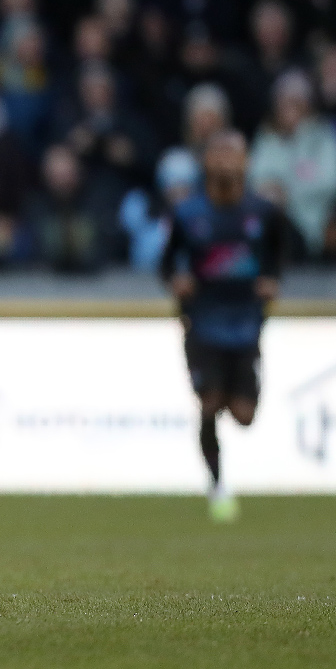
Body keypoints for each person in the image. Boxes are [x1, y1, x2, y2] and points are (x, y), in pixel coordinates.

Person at [161, 130, 285, 523]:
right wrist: (177, 283)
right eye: (220, 154)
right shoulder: (188, 213)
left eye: (235, 154)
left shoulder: (263, 212)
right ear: (206, 163)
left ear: (246, 162)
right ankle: (217, 485)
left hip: (247, 325)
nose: (228, 162)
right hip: (203, 322)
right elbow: (167, 260)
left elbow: (283, 248)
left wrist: (272, 277)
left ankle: (220, 417)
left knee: (244, 416)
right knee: (210, 402)